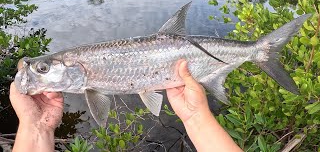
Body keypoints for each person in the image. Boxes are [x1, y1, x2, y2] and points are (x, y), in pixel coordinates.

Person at [9, 59, 242, 152]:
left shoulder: (88, 80)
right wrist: (36, 123)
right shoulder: (88, 85)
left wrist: (35, 127)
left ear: (76, 68)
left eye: (43, 69)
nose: (40, 73)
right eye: (43, 69)